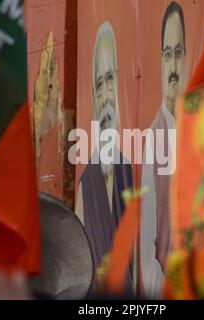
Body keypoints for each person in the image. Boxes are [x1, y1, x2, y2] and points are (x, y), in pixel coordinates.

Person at [75, 21, 133, 291]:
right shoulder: (86, 184)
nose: (106, 95)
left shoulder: (132, 168)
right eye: (99, 84)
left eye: (110, 79)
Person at [140, 1, 187, 299]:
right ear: (160, 60)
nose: (173, 66)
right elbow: (148, 248)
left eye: (178, 53)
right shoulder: (153, 137)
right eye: (167, 54)